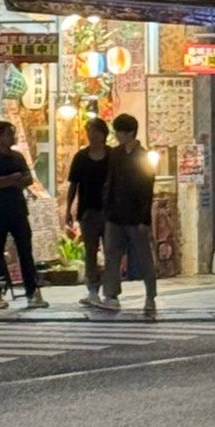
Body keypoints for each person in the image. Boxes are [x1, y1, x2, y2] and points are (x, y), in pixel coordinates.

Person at [97, 113, 160, 320]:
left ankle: (150, 297)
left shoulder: (143, 156)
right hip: (115, 214)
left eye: (120, 132)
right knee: (112, 255)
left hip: (135, 215)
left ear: (130, 132)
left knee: (143, 258)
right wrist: (107, 208)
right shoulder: (115, 154)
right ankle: (111, 295)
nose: (117, 136)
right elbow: (109, 182)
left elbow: (147, 188)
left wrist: (144, 219)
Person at [0, 120, 43, 311]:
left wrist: (15, 180)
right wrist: (13, 179)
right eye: (9, 133)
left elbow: (28, 179)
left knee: (26, 251)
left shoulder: (18, 157)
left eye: (13, 133)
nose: (13, 137)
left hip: (18, 210)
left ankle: (32, 292)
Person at [64, 116, 114, 311]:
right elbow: (73, 185)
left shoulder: (113, 156)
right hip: (88, 211)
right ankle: (92, 289)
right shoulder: (81, 157)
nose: (91, 136)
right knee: (90, 252)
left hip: (110, 212)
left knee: (111, 252)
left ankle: (110, 291)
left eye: (95, 132)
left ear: (103, 134)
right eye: (89, 132)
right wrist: (68, 209)